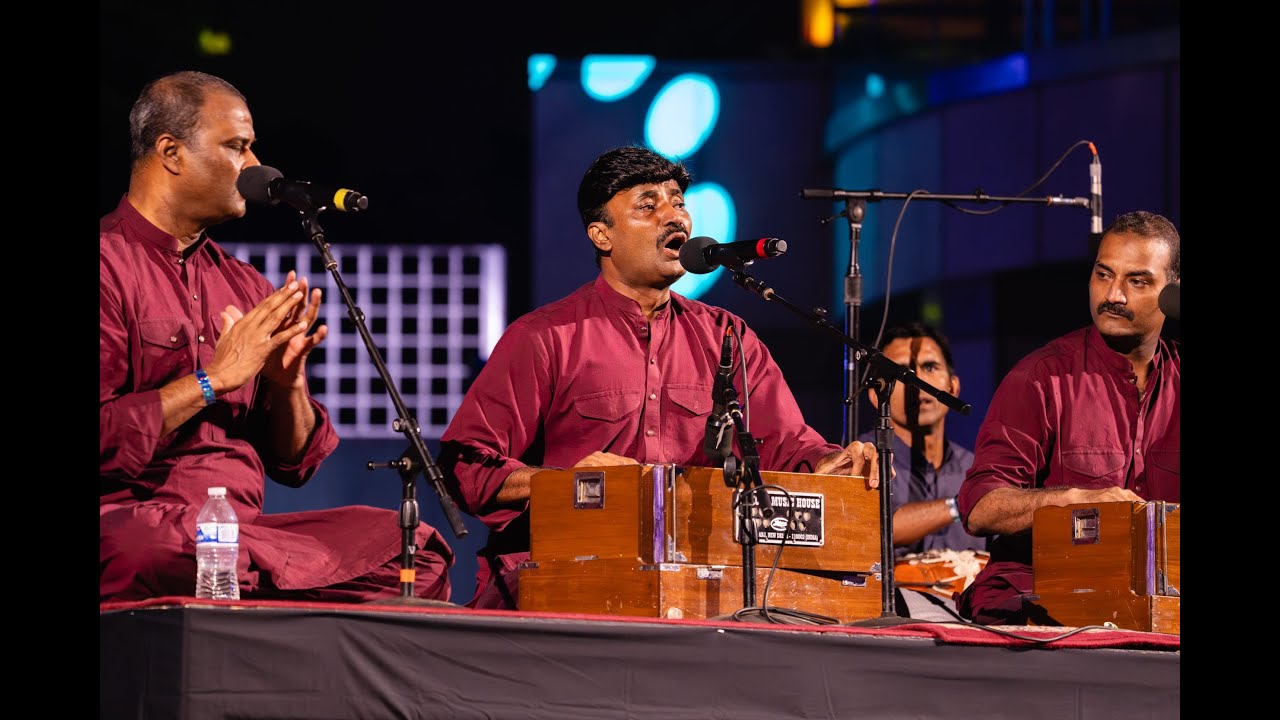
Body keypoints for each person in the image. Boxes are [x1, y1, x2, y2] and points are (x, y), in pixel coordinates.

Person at [437, 145, 884, 610]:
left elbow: (788, 445)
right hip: (562, 590)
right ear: (601, 235)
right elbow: (466, 468)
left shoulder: (727, 336)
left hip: (700, 592)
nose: (674, 216)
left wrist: (833, 464)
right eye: (648, 205)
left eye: (679, 201)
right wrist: (565, 481)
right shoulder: (545, 337)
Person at [100, 70, 454, 603]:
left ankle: (249, 588)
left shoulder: (245, 285)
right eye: (237, 147)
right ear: (171, 152)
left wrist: (287, 383)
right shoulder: (107, 265)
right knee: (159, 547)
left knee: (413, 554)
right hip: (137, 524)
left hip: (239, 533)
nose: (254, 167)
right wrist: (213, 380)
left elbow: (295, 462)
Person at [955, 210, 1180, 625]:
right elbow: (981, 507)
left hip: (1163, 608)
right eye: (1103, 275)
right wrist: (1078, 500)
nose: (1113, 294)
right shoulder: (1040, 377)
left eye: (1138, 281)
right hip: (1047, 600)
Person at [858, 323, 987, 620]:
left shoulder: (977, 467)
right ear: (877, 395)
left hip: (976, 619)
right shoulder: (863, 458)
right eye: (902, 374)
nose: (917, 384)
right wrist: (961, 505)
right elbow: (877, 529)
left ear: (953, 386)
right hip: (893, 621)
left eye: (929, 368)